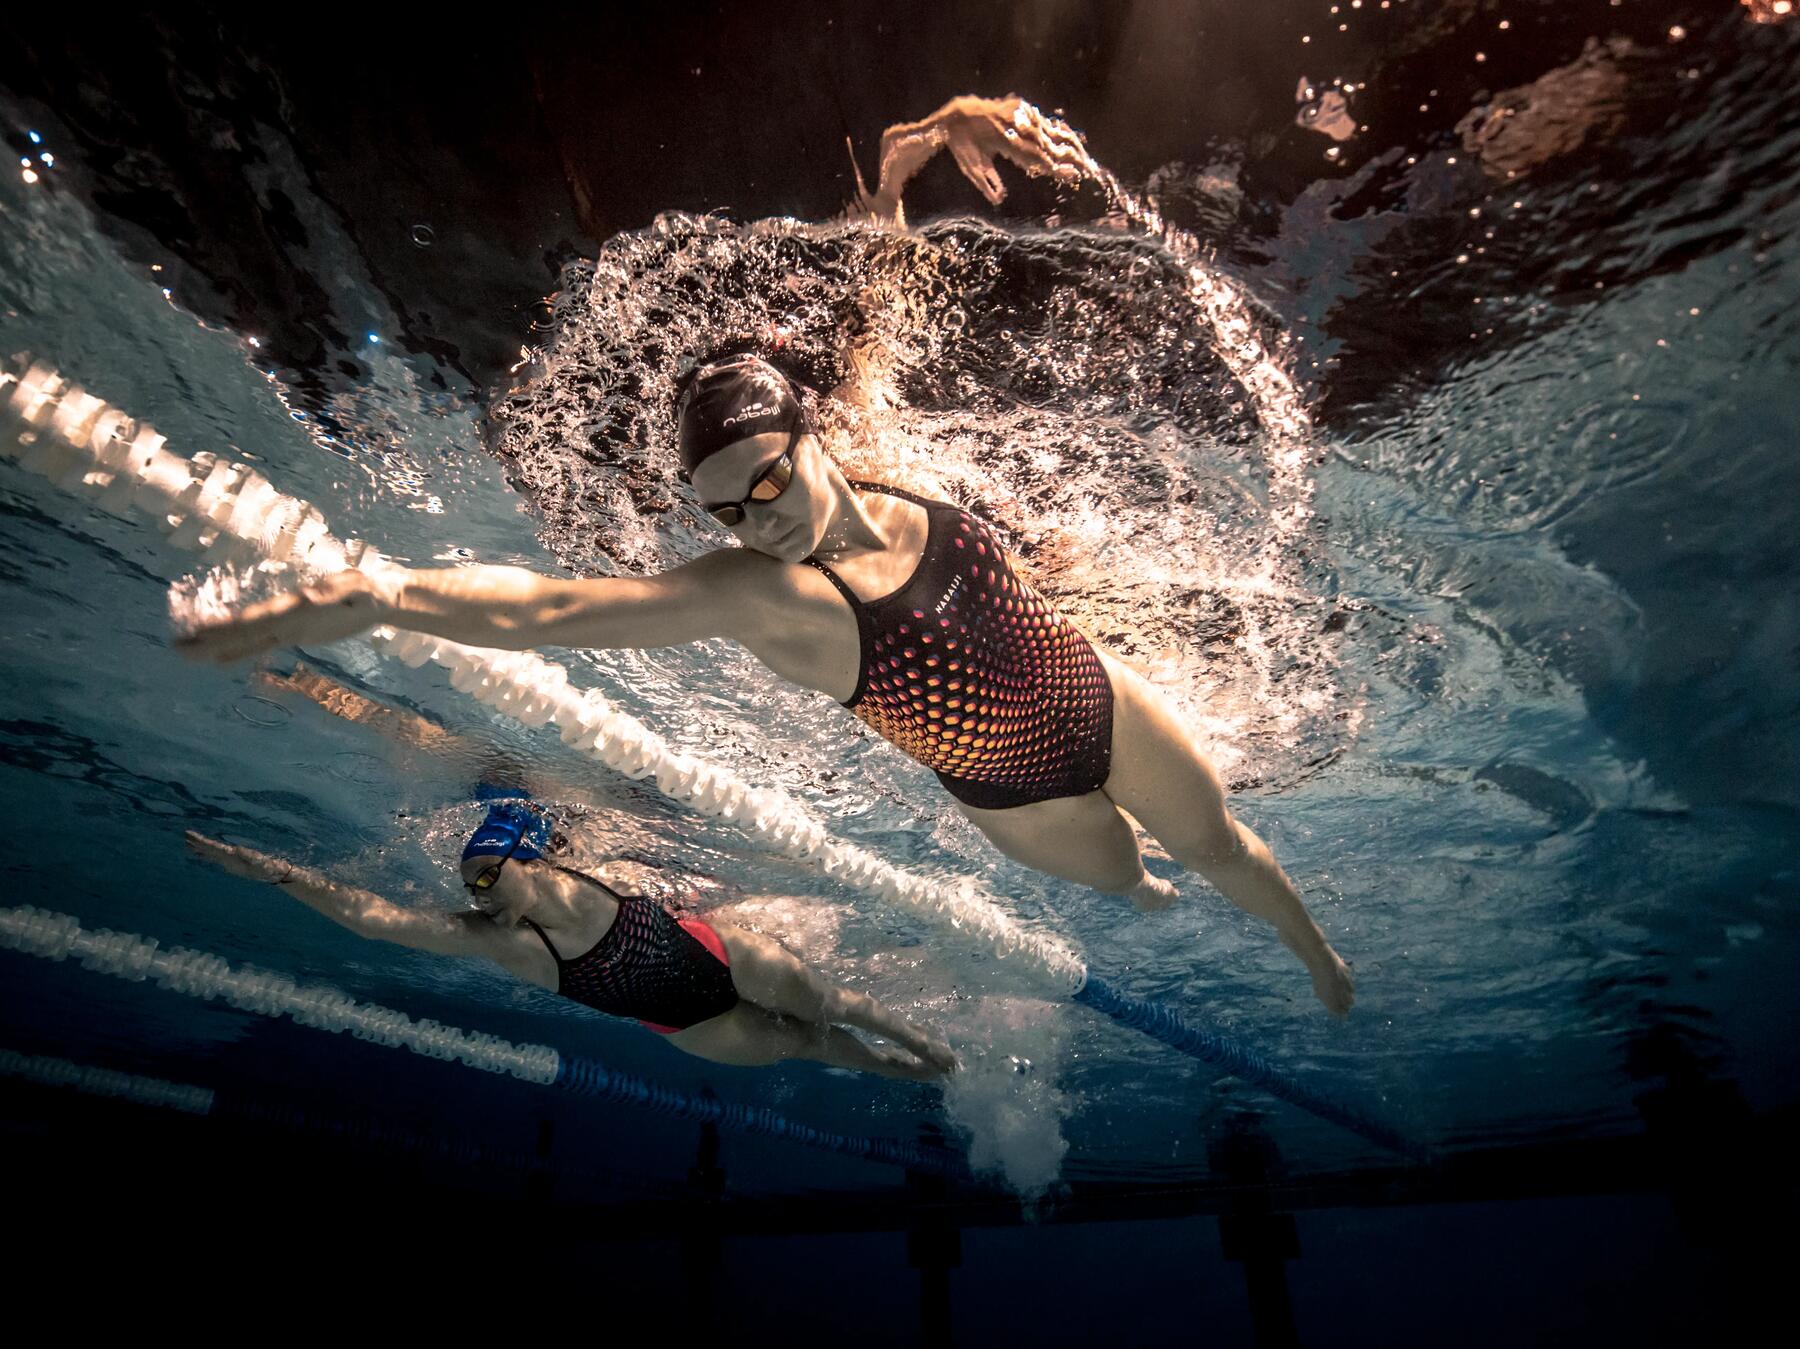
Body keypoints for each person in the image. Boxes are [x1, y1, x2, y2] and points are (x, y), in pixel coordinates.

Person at [179, 94, 1356, 1017]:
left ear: (810, 434)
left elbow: (888, 289)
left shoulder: (879, 448)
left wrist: (913, 157)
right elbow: (548, 610)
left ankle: (1315, 954)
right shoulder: (766, 592)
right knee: (1132, 877)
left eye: (769, 477)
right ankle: (1145, 884)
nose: (763, 516)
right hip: (1013, 795)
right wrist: (380, 590)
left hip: (1097, 694)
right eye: (730, 511)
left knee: (1221, 843)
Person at [185, 798, 956, 1080]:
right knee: (811, 1045)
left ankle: (920, 1039)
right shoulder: (504, 941)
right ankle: (910, 1074)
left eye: (483, 877)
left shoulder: (585, 861)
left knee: (830, 1000)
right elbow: (378, 918)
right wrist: (278, 874)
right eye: (471, 886)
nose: (473, 894)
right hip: (695, 1026)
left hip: (718, 952)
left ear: (527, 860)